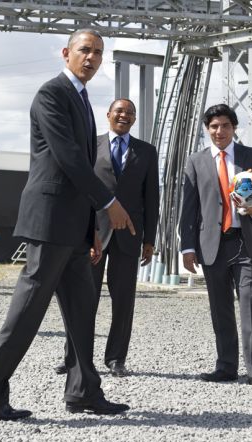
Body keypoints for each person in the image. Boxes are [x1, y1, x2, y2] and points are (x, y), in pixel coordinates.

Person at [0, 29, 136, 421]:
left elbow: (81, 165)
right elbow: (68, 160)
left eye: (97, 52)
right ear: (66, 53)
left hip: (74, 226)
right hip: (49, 221)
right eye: (84, 50)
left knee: (81, 311)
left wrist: (91, 226)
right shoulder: (52, 94)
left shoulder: (81, 98)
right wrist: (109, 203)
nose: (91, 57)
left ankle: (83, 391)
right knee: (27, 311)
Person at [54, 98, 159, 377]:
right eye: (119, 111)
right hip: (93, 234)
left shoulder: (147, 152)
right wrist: (83, 232)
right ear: (108, 115)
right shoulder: (91, 146)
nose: (124, 116)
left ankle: (116, 358)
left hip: (129, 235)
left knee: (123, 300)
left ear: (135, 119)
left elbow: (151, 197)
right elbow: (80, 190)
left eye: (130, 113)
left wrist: (150, 239)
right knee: (83, 298)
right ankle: (74, 356)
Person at [179, 104, 252, 388]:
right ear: (207, 130)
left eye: (224, 126)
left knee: (249, 304)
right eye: (213, 127)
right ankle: (225, 367)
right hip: (212, 245)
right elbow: (189, 208)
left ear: (234, 128)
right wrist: (187, 247)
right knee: (220, 307)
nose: (219, 131)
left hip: (245, 242)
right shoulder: (196, 161)